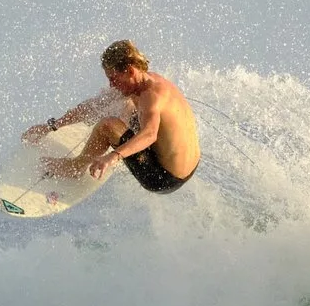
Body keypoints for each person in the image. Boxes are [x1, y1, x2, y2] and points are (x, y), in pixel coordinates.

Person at [25, 39, 201, 193]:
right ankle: (102, 143)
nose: (111, 84)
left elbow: (150, 134)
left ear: (130, 71)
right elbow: (92, 106)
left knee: (108, 125)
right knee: (121, 105)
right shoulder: (147, 80)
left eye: (114, 78)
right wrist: (52, 126)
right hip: (189, 166)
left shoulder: (151, 96)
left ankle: (76, 168)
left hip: (163, 177)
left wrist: (112, 157)